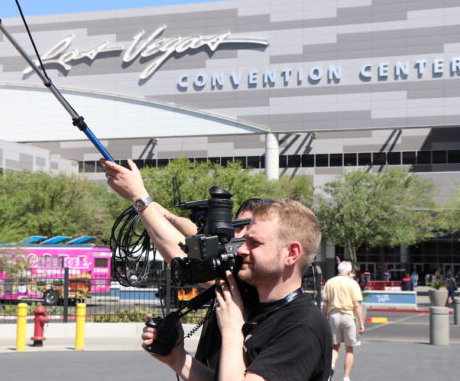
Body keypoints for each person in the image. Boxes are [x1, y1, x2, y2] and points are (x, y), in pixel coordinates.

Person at [100, 159, 332, 380]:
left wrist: (232, 330)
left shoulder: (300, 326)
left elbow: (178, 251)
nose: (240, 250)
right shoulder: (244, 293)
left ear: (291, 254)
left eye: (255, 242)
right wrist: (177, 359)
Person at [322, 261, 364, 381]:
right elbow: (357, 305)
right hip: (348, 316)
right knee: (349, 348)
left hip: (333, 316)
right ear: (349, 272)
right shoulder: (352, 283)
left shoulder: (330, 282)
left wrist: (324, 316)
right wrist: (361, 324)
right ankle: (346, 377)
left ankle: (331, 366)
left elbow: (325, 303)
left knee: (334, 347)